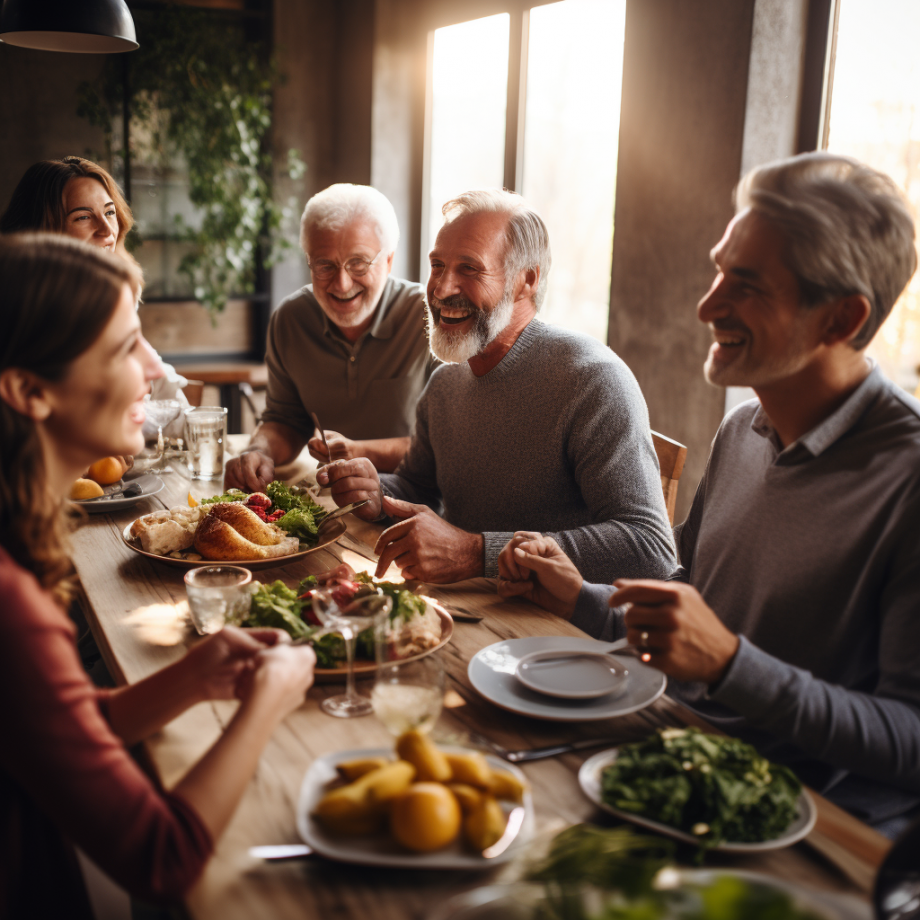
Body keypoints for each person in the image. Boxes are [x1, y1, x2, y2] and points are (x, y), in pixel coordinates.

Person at [497, 152, 920, 836]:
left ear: (841, 320)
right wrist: (579, 597)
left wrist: (729, 665)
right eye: (720, 268)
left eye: (745, 285)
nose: (706, 304)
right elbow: (693, 605)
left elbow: (910, 741)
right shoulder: (741, 430)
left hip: (819, 834)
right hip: (679, 753)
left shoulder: (909, 478)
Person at [0, 234, 317, 916]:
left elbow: (60, 724)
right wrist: (268, 701)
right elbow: (161, 860)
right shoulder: (10, 606)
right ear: (30, 391)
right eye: (125, 347)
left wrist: (194, 678)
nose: (153, 367)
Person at [318, 189, 675, 585]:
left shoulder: (593, 380)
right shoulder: (444, 383)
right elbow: (418, 485)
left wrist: (477, 552)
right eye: (437, 265)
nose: (441, 289)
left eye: (469, 269)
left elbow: (649, 549)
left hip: (563, 631)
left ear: (527, 281)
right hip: (472, 613)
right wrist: (375, 492)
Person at [224, 183, 435, 491]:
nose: (342, 282)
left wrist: (360, 452)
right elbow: (287, 420)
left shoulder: (430, 316)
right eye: (325, 265)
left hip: (414, 502)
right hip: (331, 500)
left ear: (388, 261)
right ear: (309, 262)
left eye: (359, 262)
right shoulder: (290, 319)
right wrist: (259, 451)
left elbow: (450, 445)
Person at [0, 155, 189, 416]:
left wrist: (191, 420)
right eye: (83, 217)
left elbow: (157, 380)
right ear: (43, 230)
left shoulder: (114, 293)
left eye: (109, 212)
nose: (107, 231)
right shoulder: (24, 314)